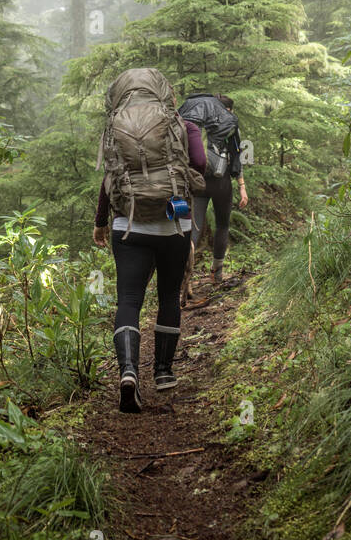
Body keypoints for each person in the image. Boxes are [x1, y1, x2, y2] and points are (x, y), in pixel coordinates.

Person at [93, 67, 206, 413]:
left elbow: (109, 179)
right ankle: (163, 372)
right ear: (164, 94)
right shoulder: (182, 125)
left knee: (128, 298)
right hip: (174, 223)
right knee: (169, 294)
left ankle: (128, 371)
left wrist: (100, 223)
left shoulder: (115, 126)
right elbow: (201, 165)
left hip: (128, 225)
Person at [177, 91, 248, 287]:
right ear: (229, 109)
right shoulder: (229, 123)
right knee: (222, 225)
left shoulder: (196, 124)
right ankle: (216, 274)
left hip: (197, 180)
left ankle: (185, 275)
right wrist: (242, 187)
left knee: (194, 227)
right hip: (221, 181)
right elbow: (237, 158)